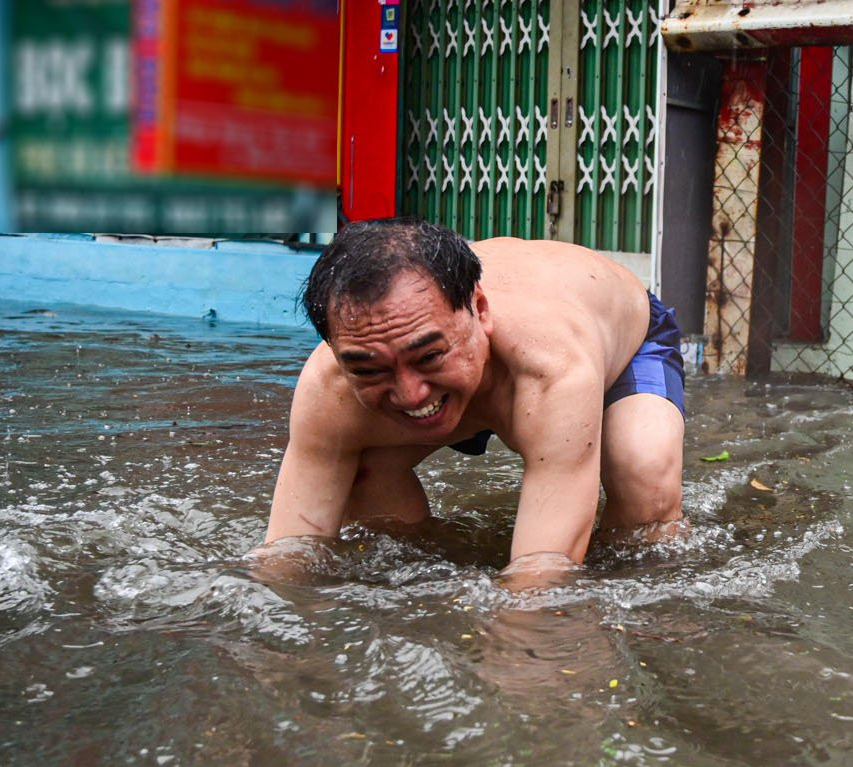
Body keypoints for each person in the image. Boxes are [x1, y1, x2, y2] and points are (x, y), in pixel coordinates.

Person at [260, 217, 686, 587]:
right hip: (488, 358)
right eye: (370, 370)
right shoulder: (329, 384)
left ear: (480, 311)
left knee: (643, 475)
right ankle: (417, 557)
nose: (411, 394)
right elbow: (288, 552)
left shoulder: (552, 368)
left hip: (620, 337)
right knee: (359, 474)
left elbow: (542, 572)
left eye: (428, 357)